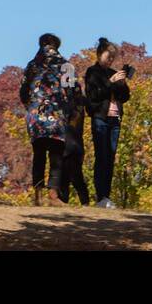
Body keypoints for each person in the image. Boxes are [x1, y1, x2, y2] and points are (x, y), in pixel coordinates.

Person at [19, 33, 70, 205]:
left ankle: (37, 195)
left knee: (39, 154)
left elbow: (23, 91)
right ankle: (53, 194)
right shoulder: (65, 64)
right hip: (56, 114)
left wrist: (31, 107)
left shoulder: (32, 65)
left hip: (36, 116)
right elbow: (73, 91)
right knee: (56, 154)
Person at [84, 37, 130, 208]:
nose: (110, 60)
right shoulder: (92, 72)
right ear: (99, 54)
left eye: (112, 57)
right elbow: (93, 95)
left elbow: (125, 97)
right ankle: (100, 196)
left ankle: (106, 196)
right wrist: (110, 83)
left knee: (110, 157)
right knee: (101, 156)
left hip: (115, 119)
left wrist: (122, 83)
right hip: (100, 119)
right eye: (108, 56)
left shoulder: (113, 72)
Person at [57, 75, 91, 206]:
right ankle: (81, 202)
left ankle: (84, 203)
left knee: (72, 178)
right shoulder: (81, 103)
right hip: (76, 146)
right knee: (69, 178)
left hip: (68, 145)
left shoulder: (68, 104)